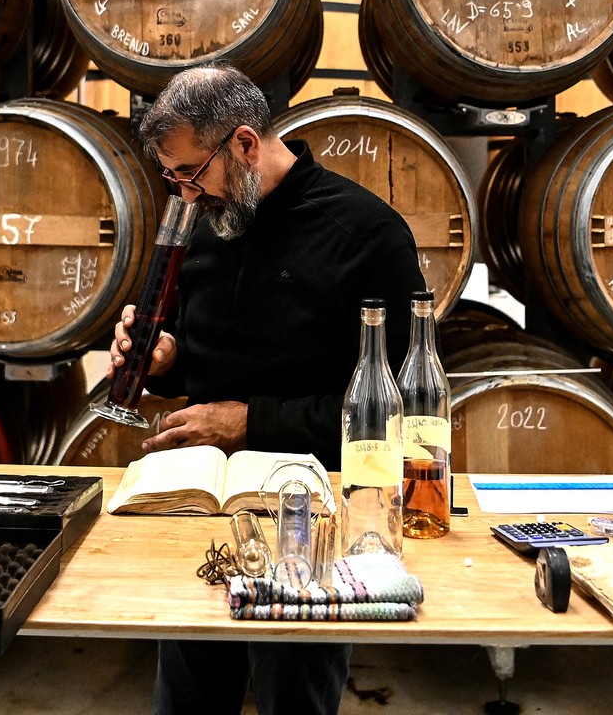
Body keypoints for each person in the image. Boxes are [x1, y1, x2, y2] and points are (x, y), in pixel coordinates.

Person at [107, 64, 424, 715]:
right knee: (187, 696)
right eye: (172, 179)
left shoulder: (367, 235)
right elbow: (205, 356)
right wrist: (165, 359)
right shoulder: (210, 219)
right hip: (203, 503)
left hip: (310, 512)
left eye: (191, 174)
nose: (185, 195)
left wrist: (248, 422)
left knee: (294, 697)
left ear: (246, 144)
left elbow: (393, 417)